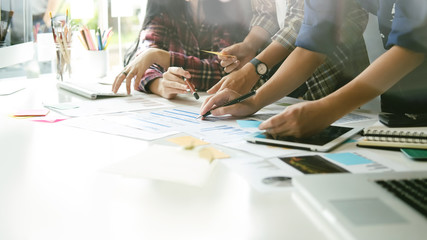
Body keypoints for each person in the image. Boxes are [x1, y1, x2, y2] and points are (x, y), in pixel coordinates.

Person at [200, 0, 426, 138]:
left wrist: (328, 108)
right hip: (403, 93)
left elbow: (413, 46)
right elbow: (312, 45)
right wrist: (255, 100)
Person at [206, 0, 370, 100]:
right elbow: (266, 11)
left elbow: (303, 22)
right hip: (284, 59)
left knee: (331, 129)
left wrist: (253, 69)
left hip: (332, 61)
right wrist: (250, 45)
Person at [111, 0, 251, 99]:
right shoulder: (165, 10)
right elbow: (141, 61)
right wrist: (160, 85)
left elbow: (222, 71)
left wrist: (160, 56)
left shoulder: (228, 11)